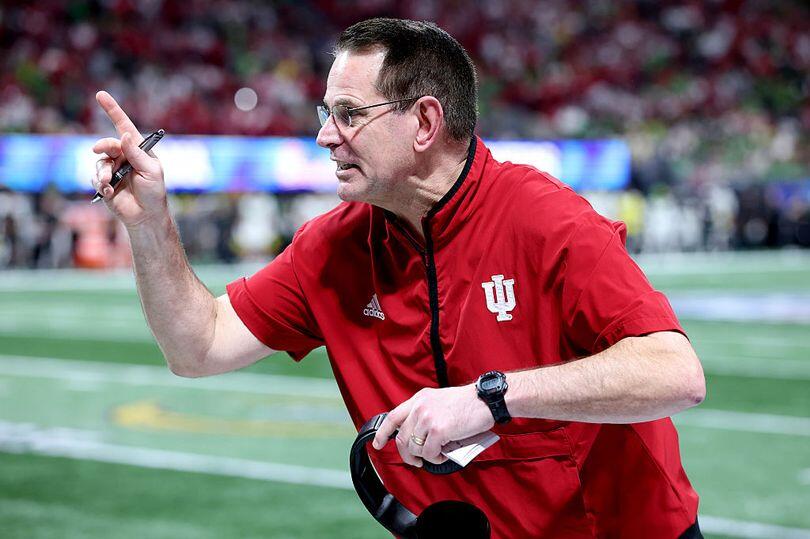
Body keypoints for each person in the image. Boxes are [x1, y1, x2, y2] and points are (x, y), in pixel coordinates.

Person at [92, 18, 705, 539]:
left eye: (349, 114)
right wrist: (149, 223)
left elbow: (675, 373)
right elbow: (198, 346)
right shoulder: (333, 246)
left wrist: (489, 397)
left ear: (424, 122)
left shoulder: (546, 219)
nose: (324, 135)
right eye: (326, 112)